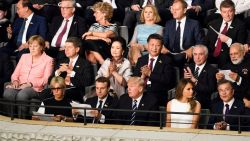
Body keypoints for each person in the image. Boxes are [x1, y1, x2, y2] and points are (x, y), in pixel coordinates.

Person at [3, 35, 53, 119]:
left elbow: (46, 79)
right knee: (8, 93)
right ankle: (11, 118)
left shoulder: (48, 60)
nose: (32, 48)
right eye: (30, 46)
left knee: (23, 94)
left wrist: (30, 84)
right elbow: (15, 74)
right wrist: (15, 81)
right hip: (20, 85)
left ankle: (21, 119)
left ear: (41, 47)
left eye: (35, 46)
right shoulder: (24, 57)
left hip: (35, 88)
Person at [133, 33, 175, 106]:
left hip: (158, 93)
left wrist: (150, 74)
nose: (154, 48)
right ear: (148, 45)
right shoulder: (141, 60)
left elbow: (167, 80)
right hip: (140, 91)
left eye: (157, 45)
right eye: (152, 45)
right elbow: (135, 78)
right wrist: (142, 76)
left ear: (161, 47)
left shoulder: (167, 60)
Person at [205, 0, 247, 68]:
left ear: (234, 11)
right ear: (221, 12)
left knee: (223, 57)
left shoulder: (240, 25)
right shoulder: (213, 23)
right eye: (224, 12)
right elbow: (206, 42)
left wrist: (228, 40)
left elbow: (240, 46)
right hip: (211, 53)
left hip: (227, 55)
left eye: (230, 11)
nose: (227, 15)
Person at [163, 0, 204, 69]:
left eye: (177, 9)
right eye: (173, 9)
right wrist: (163, 47)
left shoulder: (194, 24)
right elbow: (165, 40)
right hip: (170, 53)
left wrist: (193, 48)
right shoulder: (169, 23)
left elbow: (200, 42)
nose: (174, 12)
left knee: (179, 58)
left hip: (186, 54)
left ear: (185, 10)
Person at [52, 37, 94, 103]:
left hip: (76, 90)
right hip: (59, 89)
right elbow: (49, 80)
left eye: (69, 47)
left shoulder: (85, 63)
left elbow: (87, 81)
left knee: (63, 93)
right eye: (65, 47)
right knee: (45, 93)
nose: (66, 50)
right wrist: (58, 72)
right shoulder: (61, 61)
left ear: (77, 49)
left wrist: (71, 72)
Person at [184, 44, 217, 109]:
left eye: (200, 54)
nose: (197, 57)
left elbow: (211, 89)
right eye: (195, 54)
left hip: (202, 101)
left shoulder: (212, 70)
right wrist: (184, 80)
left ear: (206, 56)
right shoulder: (188, 67)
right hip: (187, 99)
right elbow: (181, 86)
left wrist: (195, 81)